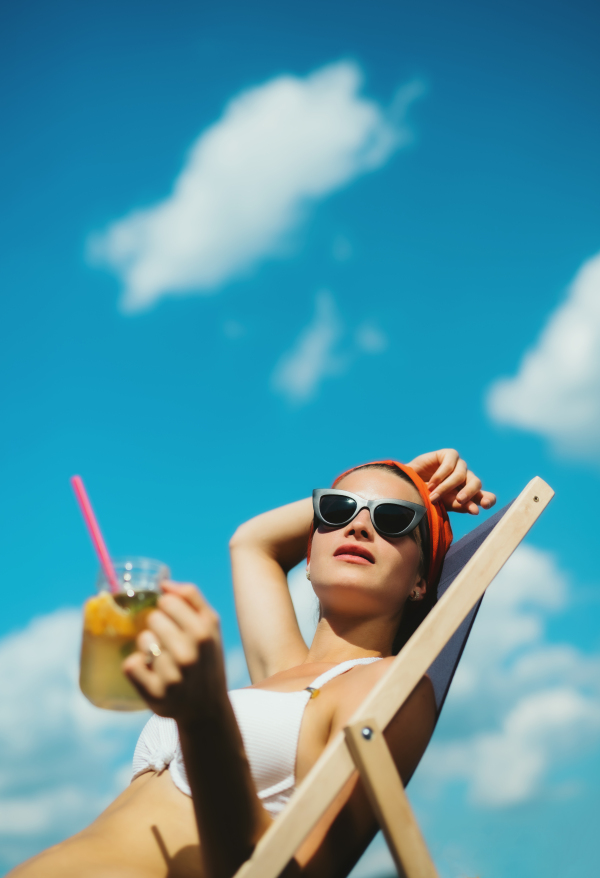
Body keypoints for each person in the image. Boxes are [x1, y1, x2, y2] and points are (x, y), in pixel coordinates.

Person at [10, 449, 495, 878]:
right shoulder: (281, 670)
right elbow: (252, 540)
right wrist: (404, 472)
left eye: (393, 519)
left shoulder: (386, 687)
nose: (359, 525)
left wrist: (204, 717)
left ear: (419, 581)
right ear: (309, 556)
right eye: (336, 508)